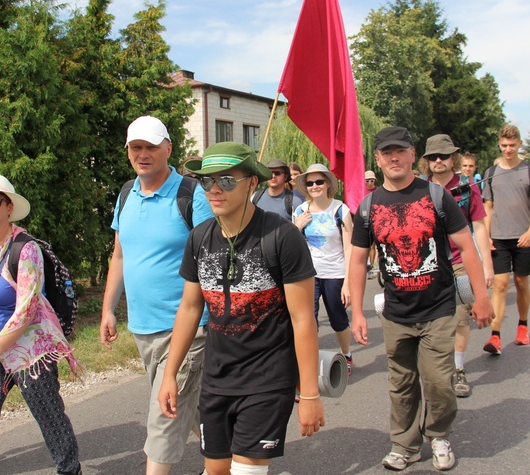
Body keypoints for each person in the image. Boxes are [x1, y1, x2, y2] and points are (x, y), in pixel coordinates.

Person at [158, 142, 324, 475]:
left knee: (247, 471)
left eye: (227, 180)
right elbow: (190, 309)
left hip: (268, 378)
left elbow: (303, 319)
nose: (214, 189)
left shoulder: (282, 236)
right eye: (207, 181)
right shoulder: (199, 238)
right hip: (216, 377)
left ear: (252, 182)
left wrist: (309, 394)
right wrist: (169, 374)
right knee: (217, 469)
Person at [348, 127, 493, 472]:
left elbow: (466, 247)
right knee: (401, 383)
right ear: (378, 158)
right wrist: (357, 312)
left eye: (400, 151)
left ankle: (439, 436)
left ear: (413, 154)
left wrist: (482, 296)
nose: (394, 158)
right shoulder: (368, 207)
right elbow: (356, 260)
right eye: (386, 153)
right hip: (396, 312)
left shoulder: (436, 196)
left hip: (439, 307)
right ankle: (404, 445)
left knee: (439, 382)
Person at [100, 116, 214, 475]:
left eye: (151, 146)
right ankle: (233, 460)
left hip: (189, 327)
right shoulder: (125, 194)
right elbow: (119, 255)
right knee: (194, 409)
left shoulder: (191, 194)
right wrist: (108, 309)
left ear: (169, 148)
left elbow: (211, 258)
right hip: (144, 328)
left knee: (163, 414)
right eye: (137, 147)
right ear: (128, 151)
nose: (143, 154)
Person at [0, 174, 81, 475]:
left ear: (9, 207)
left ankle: (70, 470)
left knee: (49, 417)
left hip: (30, 350)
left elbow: (26, 310)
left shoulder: (25, 249)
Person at [421, 135, 494, 398]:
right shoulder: (419, 187)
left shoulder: (467, 186)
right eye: (432, 157)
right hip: (428, 263)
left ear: (453, 157)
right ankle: (436, 367)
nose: (438, 161)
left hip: (461, 261)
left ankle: (458, 367)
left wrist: (486, 266)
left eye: (443, 156)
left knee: (461, 316)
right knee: (431, 319)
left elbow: (480, 226)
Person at [481, 125, 530, 354]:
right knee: (499, 285)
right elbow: (487, 206)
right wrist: (486, 236)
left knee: (521, 282)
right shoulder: (491, 173)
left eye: (512, 145)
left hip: (522, 237)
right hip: (499, 237)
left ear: (519, 144)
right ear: (499, 144)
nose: (508, 149)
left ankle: (523, 325)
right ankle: (495, 336)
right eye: (504, 145)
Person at [293, 164, 354, 375]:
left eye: (319, 181)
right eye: (310, 183)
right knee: (308, 320)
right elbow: (292, 244)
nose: (314, 186)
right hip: (309, 274)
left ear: (328, 183)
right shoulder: (300, 211)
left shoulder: (340, 209)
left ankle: (346, 355)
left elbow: (349, 247)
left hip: (336, 273)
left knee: (338, 319)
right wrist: (297, 226)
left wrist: (349, 283)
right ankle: (309, 363)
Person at [364, 170, 379, 279]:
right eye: (367, 180)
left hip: (375, 219)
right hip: (364, 220)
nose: (370, 182)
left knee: (372, 245)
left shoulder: (378, 191)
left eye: (372, 180)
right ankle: (365, 265)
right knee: (365, 245)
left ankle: (372, 265)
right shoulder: (361, 190)